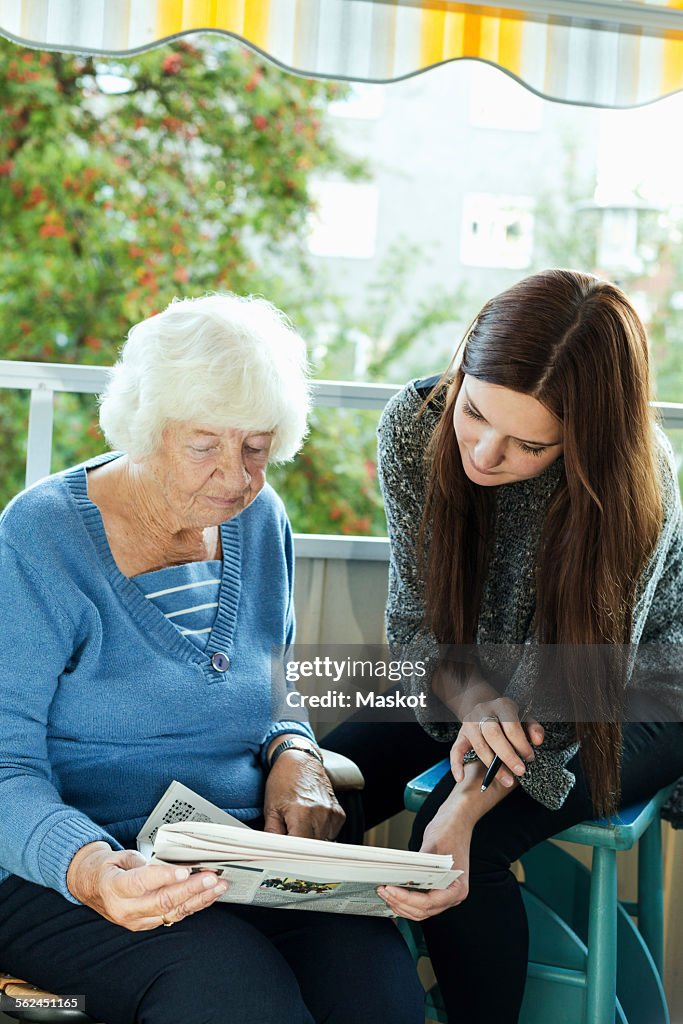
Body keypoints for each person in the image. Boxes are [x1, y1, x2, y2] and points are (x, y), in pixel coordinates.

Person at [0, 294, 425, 1024]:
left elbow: (273, 686)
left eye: (255, 447)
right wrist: (94, 869)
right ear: (143, 424)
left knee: (375, 990)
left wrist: (295, 749)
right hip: (68, 873)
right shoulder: (39, 538)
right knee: (235, 993)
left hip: (241, 862)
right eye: (204, 445)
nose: (235, 476)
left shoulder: (259, 521)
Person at [371, 269, 683, 1023]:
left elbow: (577, 697)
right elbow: (413, 632)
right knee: (322, 787)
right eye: (474, 412)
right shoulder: (416, 424)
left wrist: (461, 815)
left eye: (528, 445)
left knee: (452, 848)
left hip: (636, 688)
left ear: (583, 440)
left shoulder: (637, 485)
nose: (481, 452)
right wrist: (473, 698)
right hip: (479, 671)